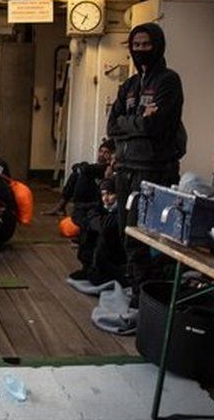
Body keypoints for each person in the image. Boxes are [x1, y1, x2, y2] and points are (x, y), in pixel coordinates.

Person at [107, 22, 186, 295]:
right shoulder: (129, 86)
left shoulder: (169, 81)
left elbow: (158, 126)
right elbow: (111, 126)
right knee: (124, 233)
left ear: (158, 46)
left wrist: (129, 123)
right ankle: (134, 288)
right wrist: (139, 119)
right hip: (126, 169)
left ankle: (147, 296)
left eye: (146, 45)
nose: (140, 50)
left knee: (146, 237)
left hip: (153, 171)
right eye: (136, 45)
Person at [70, 179, 126, 285]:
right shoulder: (101, 208)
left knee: (102, 232)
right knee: (87, 229)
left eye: (110, 194)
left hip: (117, 256)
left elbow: (104, 226)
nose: (105, 198)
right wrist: (90, 220)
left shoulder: (123, 211)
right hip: (103, 255)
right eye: (103, 195)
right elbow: (78, 213)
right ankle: (88, 267)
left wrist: (92, 219)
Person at [48, 138, 115, 218]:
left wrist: (80, 168)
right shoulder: (96, 167)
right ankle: (61, 206)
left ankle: (76, 208)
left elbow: (85, 169)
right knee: (76, 174)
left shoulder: (108, 167)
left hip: (99, 199)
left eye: (106, 152)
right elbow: (76, 167)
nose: (101, 154)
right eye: (100, 151)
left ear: (111, 155)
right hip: (91, 195)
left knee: (83, 175)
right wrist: (80, 168)